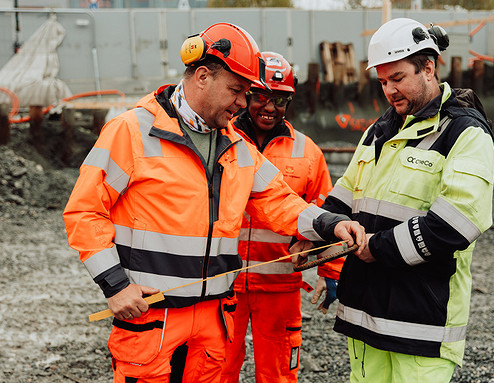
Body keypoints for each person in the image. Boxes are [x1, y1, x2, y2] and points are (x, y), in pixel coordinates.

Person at [62, 23, 366, 383]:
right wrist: (114, 284)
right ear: (202, 76)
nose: (243, 103)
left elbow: (282, 203)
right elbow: (84, 211)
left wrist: (331, 224)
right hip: (153, 317)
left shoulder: (238, 146)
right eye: (237, 90)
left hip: (214, 319)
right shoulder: (131, 132)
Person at [293, 18, 494, 383]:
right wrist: (318, 231)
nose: (389, 90)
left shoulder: (465, 133)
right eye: (383, 81)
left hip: (421, 323)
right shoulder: (379, 131)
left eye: (398, 78)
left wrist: (377, 247)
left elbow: (458, 223)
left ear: (429, 67)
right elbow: (343, 197)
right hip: (365, 315)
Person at [220, 51, 343, 383]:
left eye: (280, 100)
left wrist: (330, 271)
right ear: (246, 93)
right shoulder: (220, 140)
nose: (269, 107)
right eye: (261, 96)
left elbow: (326, 214)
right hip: (221, 283)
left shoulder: (307, 153)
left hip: (280, 286)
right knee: (215, 368)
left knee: (278, 374)